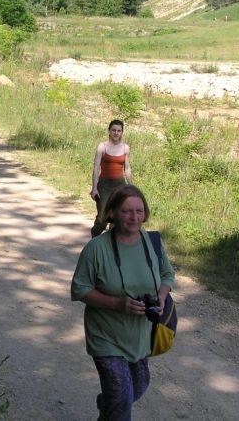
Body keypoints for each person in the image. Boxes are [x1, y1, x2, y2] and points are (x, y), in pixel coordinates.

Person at [71, 185, 174, 421]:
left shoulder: (153, 243)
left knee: (137, 387)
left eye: (139, 211)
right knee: (121, 398)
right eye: (127, 211)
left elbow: (167, 274)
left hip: (140, 336)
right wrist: (117, 304)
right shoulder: (96, 249)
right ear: (113, 213)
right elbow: (80, 289)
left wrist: (162, 295)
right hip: (106, 336)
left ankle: (108, 404)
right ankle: (113, 403)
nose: (134, 217)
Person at [90, 120, 133, 238]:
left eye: (119, 131)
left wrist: (131, 186)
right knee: (102, 217)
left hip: (119, 185)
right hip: (104, 185)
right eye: (114, 130)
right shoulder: (102, 147)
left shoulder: (125, 148)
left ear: (122, 132)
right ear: (109, 131)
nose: (116, 133)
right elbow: (96, 167)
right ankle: (94, 240)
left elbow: (127, 168)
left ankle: (112, 246)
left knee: (118, 217)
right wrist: (94, 188)